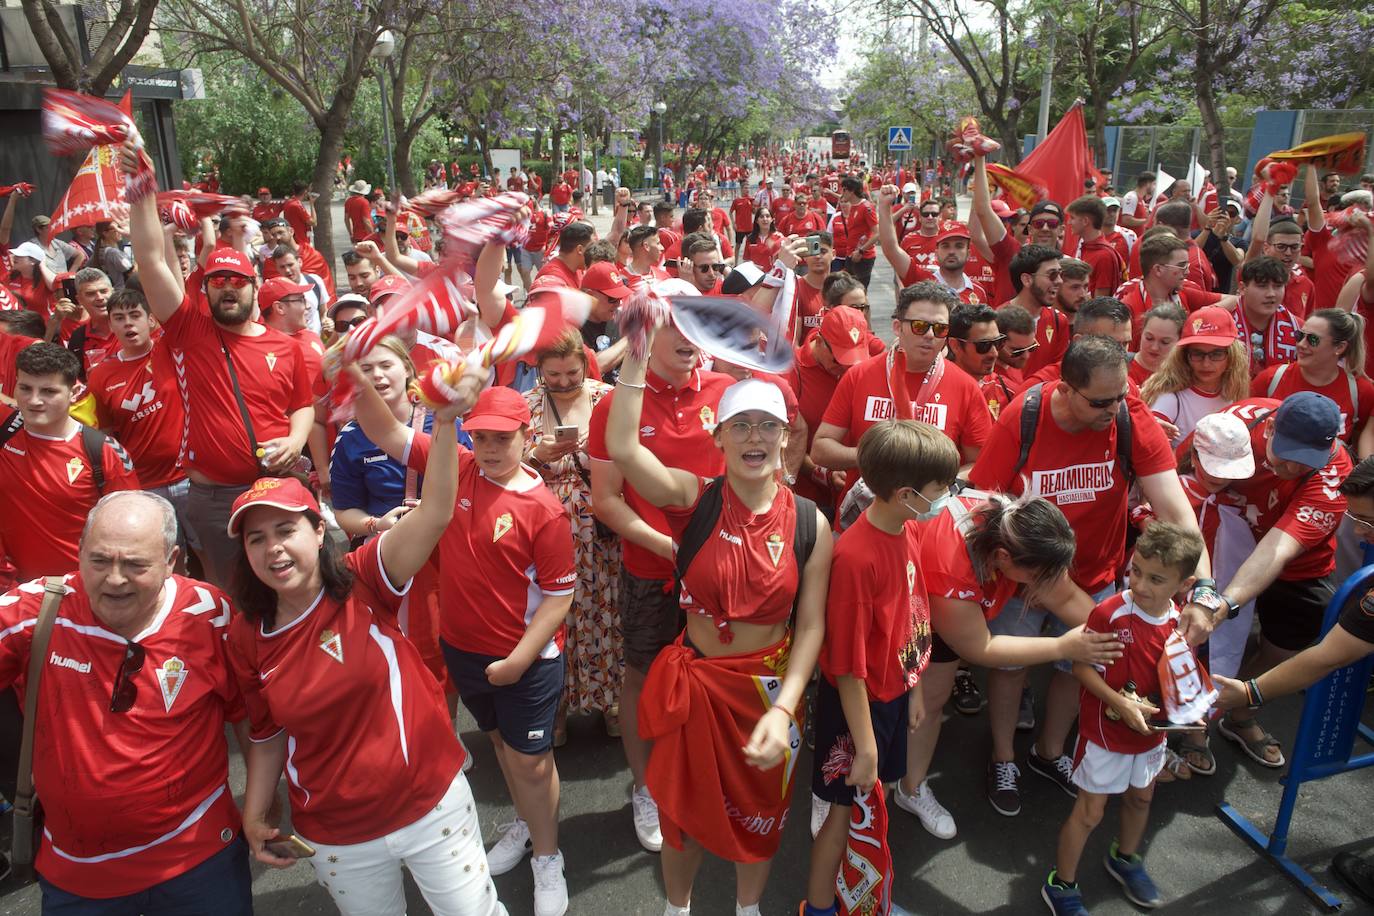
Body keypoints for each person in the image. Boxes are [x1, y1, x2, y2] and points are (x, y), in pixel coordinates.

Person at [228, 385, 509, 916]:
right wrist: (255, 808)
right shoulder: (246, 634)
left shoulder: (364, 578)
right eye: (256, 538)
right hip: (337, 834)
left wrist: (446, 423)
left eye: (286, 529)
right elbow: (265, 734)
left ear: (318, 530)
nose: (274, 549)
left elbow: (437, 512)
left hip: (430, 807)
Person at [606, 347, 831, 916]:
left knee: (762, 810)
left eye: (767, 425)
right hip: (699, 689)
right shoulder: (693, 499)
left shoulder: (810, 522)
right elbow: (624, 449)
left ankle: (747, 907)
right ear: (719, 438)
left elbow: (810, 627)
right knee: (681, 815)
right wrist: (635, 357)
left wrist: (785, 711)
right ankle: (677, 907)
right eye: (741, 425)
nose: (754, 436)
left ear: (785, 437)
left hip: (769, 693)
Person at [968, 335, 1212, 815]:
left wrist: (1203, 586)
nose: (1115, 408)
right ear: (1065, 389)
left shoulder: (1127, 415)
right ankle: (1002, 756)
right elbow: (985, 505)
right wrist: (1021, 571)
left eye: (1122, 394)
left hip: (1095, 574)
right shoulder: (1026, 416)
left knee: (1073, 669)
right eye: (1102, 401)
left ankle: (1049, 751)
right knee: (1009, 668)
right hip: (1023, 578)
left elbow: (1176, 510)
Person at [0, 491, 252, 913]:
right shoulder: (37, 609)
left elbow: (247, 717)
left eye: (135, 564)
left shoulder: (212, 614)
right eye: (99, 561)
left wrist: (262, 806)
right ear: (78, 552)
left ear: (171, 561)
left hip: (200, 860)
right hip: (77, 874)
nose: (114, 579)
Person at [588, 297, 736, 853]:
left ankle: (704, 775)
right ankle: (645, 786)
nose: (690, 337)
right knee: (644, 676)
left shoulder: (725, 392)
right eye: (675, 325)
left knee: (715, 676)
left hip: (723, 570)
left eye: (698, 325)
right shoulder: (616, 406)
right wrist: (671, 547)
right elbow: (606, 500)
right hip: (652, 569)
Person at [126, 164, 316, 588]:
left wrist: (296, 439)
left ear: (254, 286)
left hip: (279, 487)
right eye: (217, 281)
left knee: (293, 588)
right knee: (232, 598)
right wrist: (141, 188)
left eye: (237, 280)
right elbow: (150, 258)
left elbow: (302, 404)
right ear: (206, 288)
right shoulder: (189, 329)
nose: (227, 287)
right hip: (214, 499)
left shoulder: (285, 347)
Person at [803, 420, 958, 915]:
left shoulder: (908, 528)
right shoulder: (855, 557)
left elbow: (910, 615)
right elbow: (847, 667)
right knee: (843, 813)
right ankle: (821, 906)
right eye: (940, 490)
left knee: (874, 808)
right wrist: (865, 745)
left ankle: (867, 898)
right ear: (907, 493)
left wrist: (912, 687)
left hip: (891, 697)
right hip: (857, 710)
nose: (946, 498)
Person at [1042, 522, 1206, 915]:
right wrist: (1121, 703)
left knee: (1141, 797)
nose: (1140, 584)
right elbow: (1081, 670)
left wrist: (1191, 709)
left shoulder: (1182, 621)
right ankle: (1061, 883)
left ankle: (1125, 857)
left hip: (1151, 737)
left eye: (1156, 578)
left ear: (1184, 585)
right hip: (1105, 733)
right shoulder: (1109, 613)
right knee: (1090, 812)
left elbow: (1180, 676)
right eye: (1135, 571)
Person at [1183, 393, 1351, 769]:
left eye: (1305, 461)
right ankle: (1192, 723)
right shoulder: (1237, 423)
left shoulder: (1333, 474)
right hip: (1222, 540)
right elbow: (1184, 464)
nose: (1291, 466)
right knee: (1198, 633)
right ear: (1270, 427)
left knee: (1285, 647)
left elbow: (1275, 551)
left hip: (1292, 561)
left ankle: (1239, 711)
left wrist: (1225, 604)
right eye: (1286, 452)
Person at [523, 330, 622, 744]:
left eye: (571, 373)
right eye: (553, 375)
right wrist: (535, 456)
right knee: (555, 619)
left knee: (606, 613)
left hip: (602, 529)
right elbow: (501, 466)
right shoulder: (527, 405)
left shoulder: (606, 399)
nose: (563, 382)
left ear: (585, 365)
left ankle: (611, 701)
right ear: (539, 371)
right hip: (546, 532)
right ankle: (557, 705)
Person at [812, 281, 991, 499]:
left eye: (940, 328)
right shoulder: (859, 376)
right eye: (919, 326)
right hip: (864, 514)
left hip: (930, 518)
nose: (929, 335)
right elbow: (820, 449)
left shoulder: (965, 387)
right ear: (898, 327)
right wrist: (875, 457)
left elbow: (981, 463)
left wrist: (944, 486)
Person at [0, 342, 140, 583]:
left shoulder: (104, 452)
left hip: (78, 590)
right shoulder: (5, 428)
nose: (34, 400)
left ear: (74, 393)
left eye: (48, 391)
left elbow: (130, 531)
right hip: (14, 591)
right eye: (25, 388)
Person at [1253, 308, 1372, 446]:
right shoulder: (1271, 378)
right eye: (1299, 336)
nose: (1301, 344)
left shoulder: (1360, 391)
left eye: (1313, 339)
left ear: (1339, 347)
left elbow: (1362, 439)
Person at [1141, 306, 1250, 446]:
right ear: (1184, 356)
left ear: (1232, 356)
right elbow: (1149, 448)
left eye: (1216, 354)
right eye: (1197, 354)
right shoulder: (1171, 398)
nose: (1206, 363)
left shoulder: (1234, 392)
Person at [1129, 302, 1186, 388]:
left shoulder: (1185, 377)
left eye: (1165, 342)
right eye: (1149, 338)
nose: (1154, 348)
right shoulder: (1121, 367)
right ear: (1141, 333)